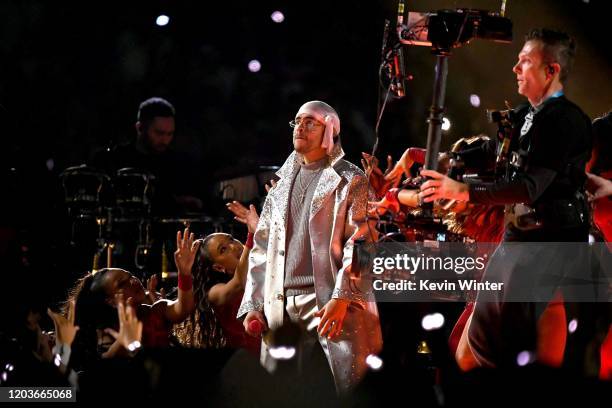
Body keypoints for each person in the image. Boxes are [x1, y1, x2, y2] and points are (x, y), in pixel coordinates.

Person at [415, 29, 592, 369]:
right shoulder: (525, 116)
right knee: (468, 353)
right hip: (515, 246)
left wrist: (463, 191)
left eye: (525, 61)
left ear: (551, 71)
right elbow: (489, 152)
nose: (515, 68)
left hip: (548, 253)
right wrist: (439, 161)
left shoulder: (565, 122)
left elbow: (529, 187)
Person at [237, 100, 382, 394]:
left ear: (330, 129)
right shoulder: (279, 184)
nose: (300, 127)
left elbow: (365, 244)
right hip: (282, 304)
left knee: (351, 388)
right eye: (297, 121)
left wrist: (343, 297)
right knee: (280, 393)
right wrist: (254, 304)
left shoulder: (351, 179)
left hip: (332, 302)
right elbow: (262, 249)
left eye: (310, 122)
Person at [67, 228, 198, 370]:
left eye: (131, 276)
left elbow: (184, 309)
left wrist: (184, 273)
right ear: (110, 301)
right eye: (122, 284)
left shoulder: (157, 309)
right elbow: (100, 368)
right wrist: (124, 338)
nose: (134, 281)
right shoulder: (105, 334)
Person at [174, 201, 260, 355]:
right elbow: (239, 283)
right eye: (223, 249)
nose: (235, 246)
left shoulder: (262, 265)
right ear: (218, 267)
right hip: (246, 365)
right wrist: (252, 234)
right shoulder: (214, 291)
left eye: (231, 240)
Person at [91, 97, 204, 215]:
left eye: (170, 134)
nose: (165, 140)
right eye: (159, 133)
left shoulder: (178, 164)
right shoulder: (114, 159)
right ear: (140, 128)